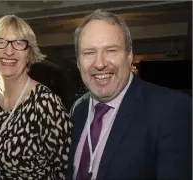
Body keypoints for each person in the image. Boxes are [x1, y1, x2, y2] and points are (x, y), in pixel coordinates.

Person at [66, 9, 192, 180]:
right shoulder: (79, 111)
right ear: (79, 62)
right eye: (89, 53)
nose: (100, 63)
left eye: (111, 50)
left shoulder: (171, 109)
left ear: (129, 55)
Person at [0, 14, 72, 180]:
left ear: (29, 53)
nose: (9, 51)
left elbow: (66, 171)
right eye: (1, 42)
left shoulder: (46, 104)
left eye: (19, 43)